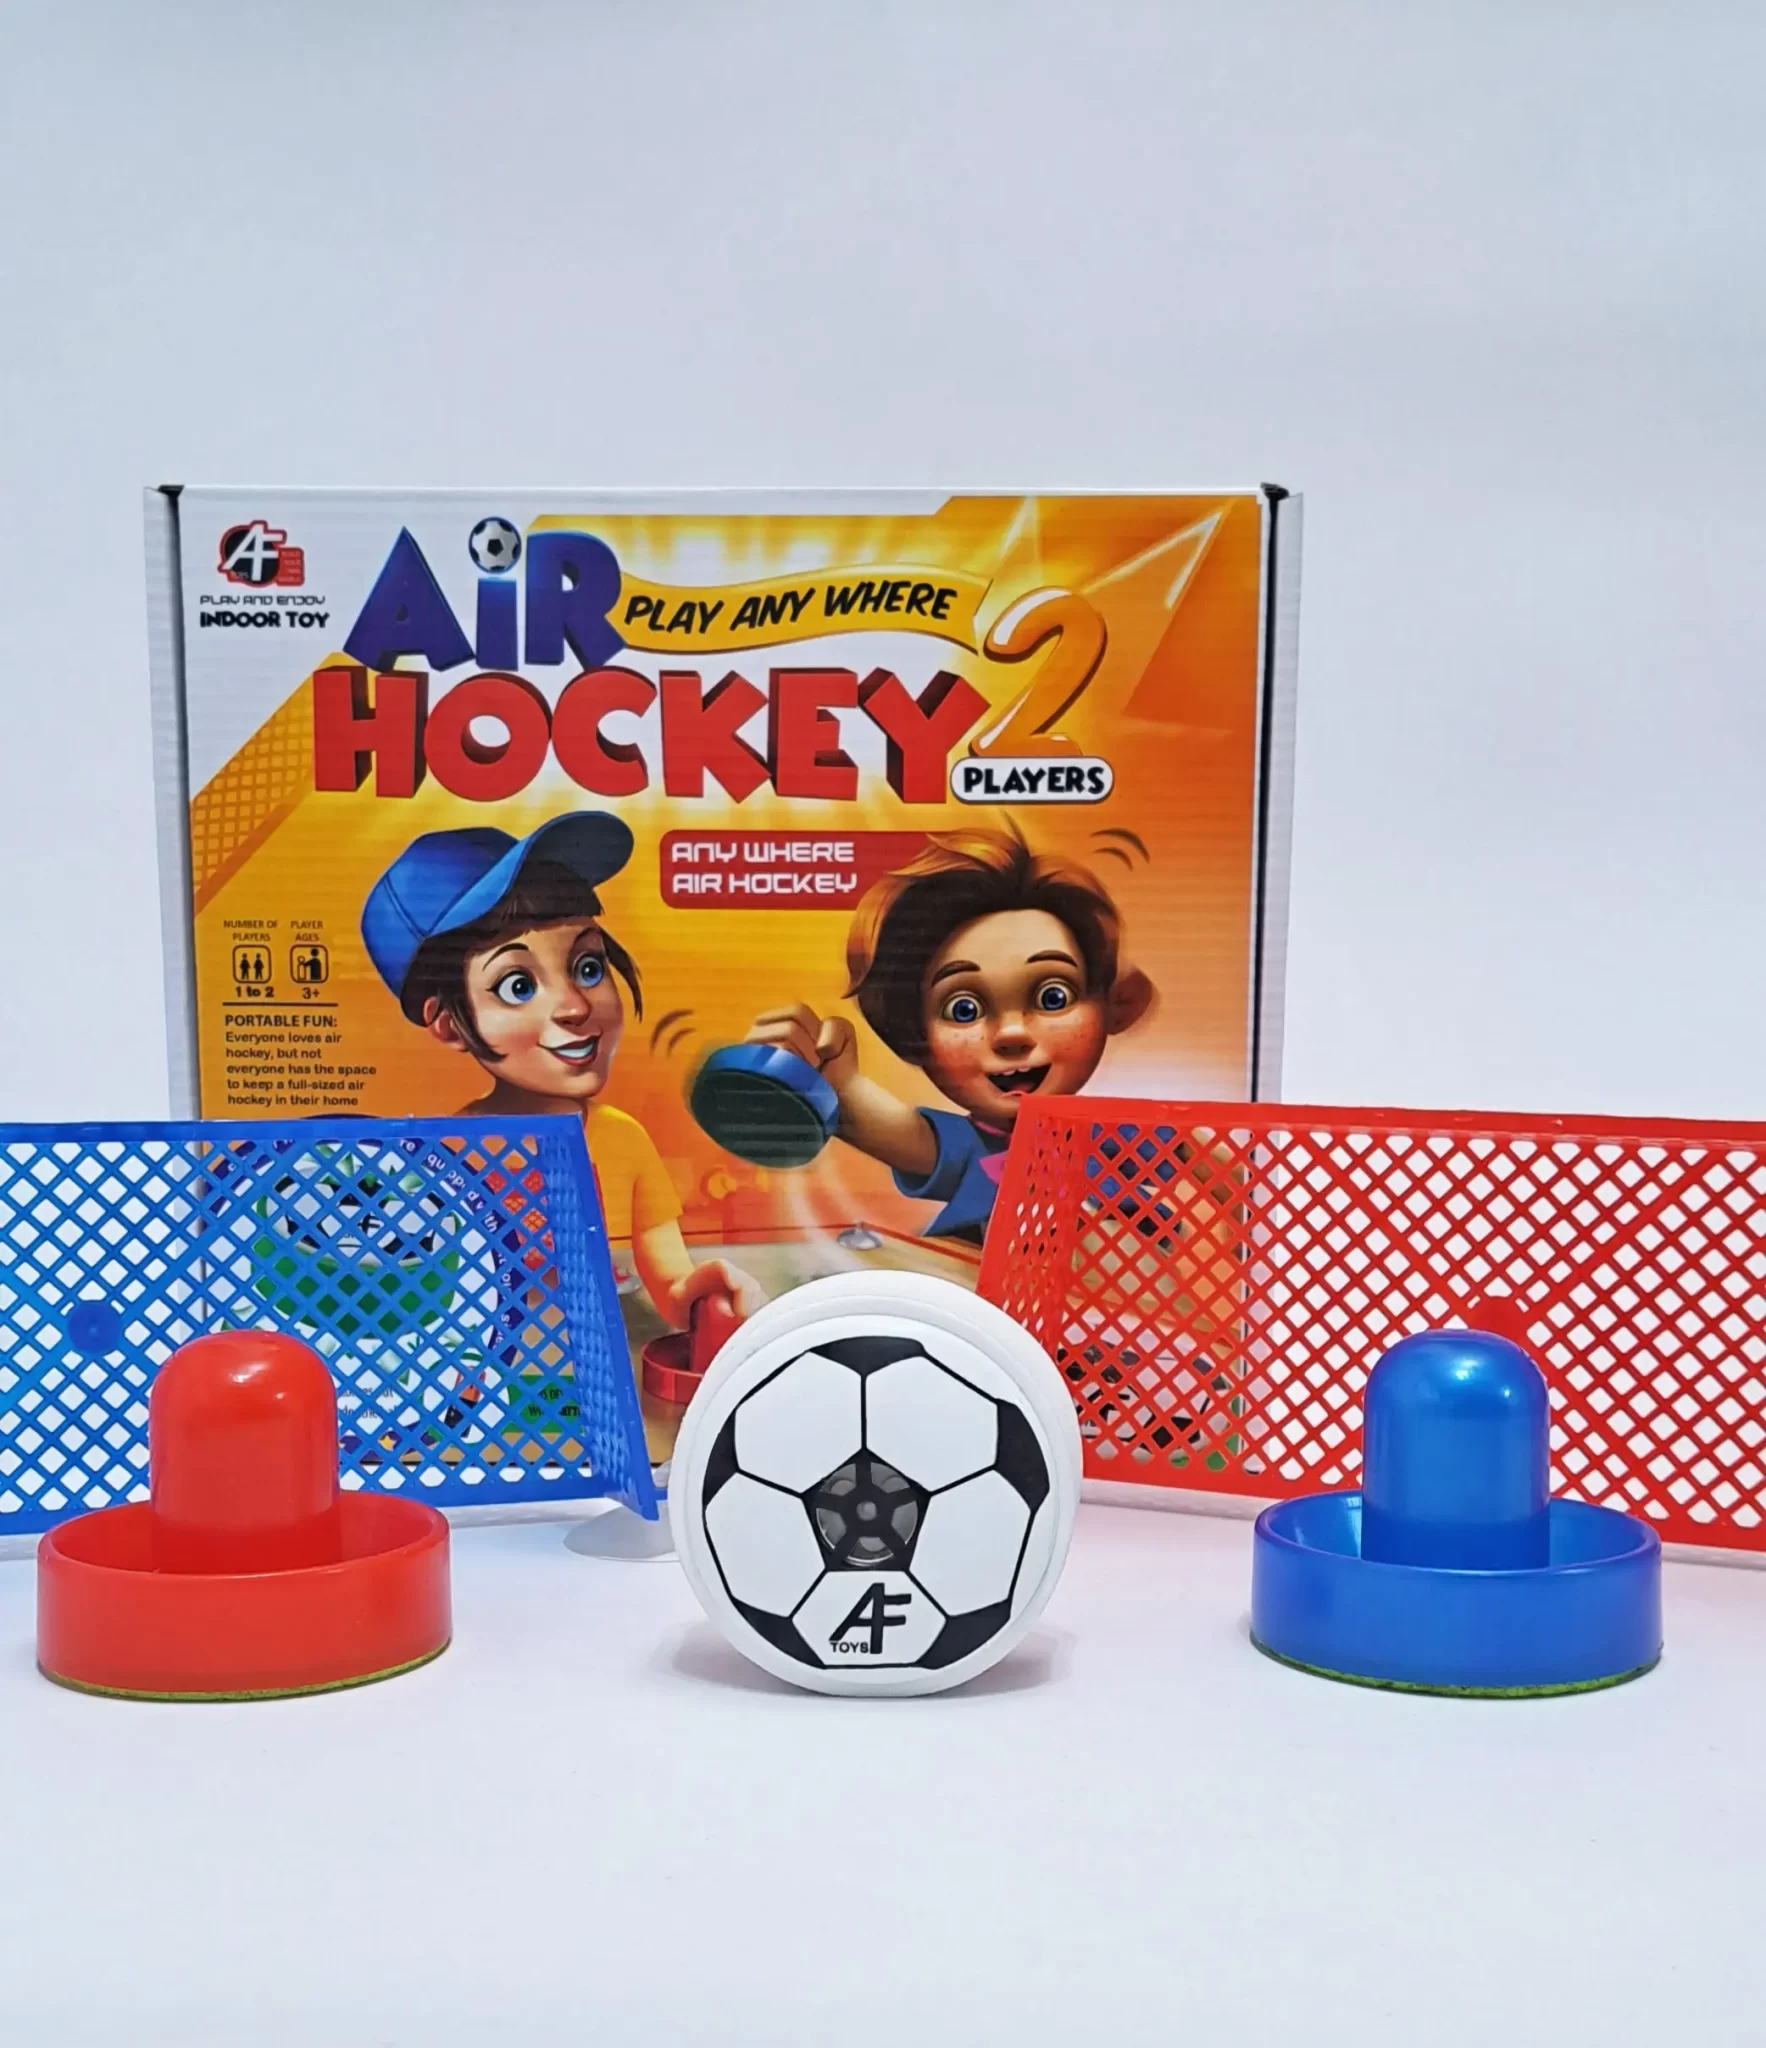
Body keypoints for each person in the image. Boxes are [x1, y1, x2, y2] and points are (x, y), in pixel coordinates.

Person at [363, 811, 762, 1332]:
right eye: (518, 986)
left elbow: (668, 1280)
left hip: (596, 1368)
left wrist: (700, 1296)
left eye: (588, 968)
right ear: (449, 1023)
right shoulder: (441, 1156)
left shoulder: (623, 1140)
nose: (575, 1006)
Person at [744, 827, 1154, 1245]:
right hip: (976, 1275)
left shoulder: (1113, 1139)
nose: (1011, 1033)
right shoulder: (972, 1148)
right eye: (964, 1010)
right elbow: (903, 1135)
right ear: (915, 1034)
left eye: (1053, 997)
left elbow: (1187, 1152)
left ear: (1112, 1004)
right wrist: (834, 1087)